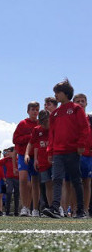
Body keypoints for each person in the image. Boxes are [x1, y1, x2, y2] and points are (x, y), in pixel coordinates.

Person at [44, 79, 90, 218]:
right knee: (56, 179)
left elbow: (84, 128)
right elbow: (51, 134)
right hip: (58, 153)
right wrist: (50, 151)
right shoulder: (55, 114)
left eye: (57, 93)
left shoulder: (76, 109)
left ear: (65, 93)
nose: (56, 95)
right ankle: (55, 208)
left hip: (72, 151)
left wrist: (81, 144)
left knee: (76, 180)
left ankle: (80, 211)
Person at [12, 102, 40, 217]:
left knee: (35, 183)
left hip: (37, 156)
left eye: (37, 110)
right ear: (28, 111)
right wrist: (29, 137)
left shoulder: (40, 124)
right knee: (23, 180)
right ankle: (25, 207)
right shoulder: (22, 124)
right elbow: (15, 139)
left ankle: (35, 209)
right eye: (32, 109)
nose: (35, 112)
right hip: (24, 156)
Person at [73, 93, 92, 216]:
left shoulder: (90, 119)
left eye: (83, 101)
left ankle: (85, 209)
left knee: (86, 183)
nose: (80, 103)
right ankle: (74, 210)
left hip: (88, 156)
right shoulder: (71, 119)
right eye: (78, 101)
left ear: (86, 103)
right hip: (74, 155)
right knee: (75, 183)